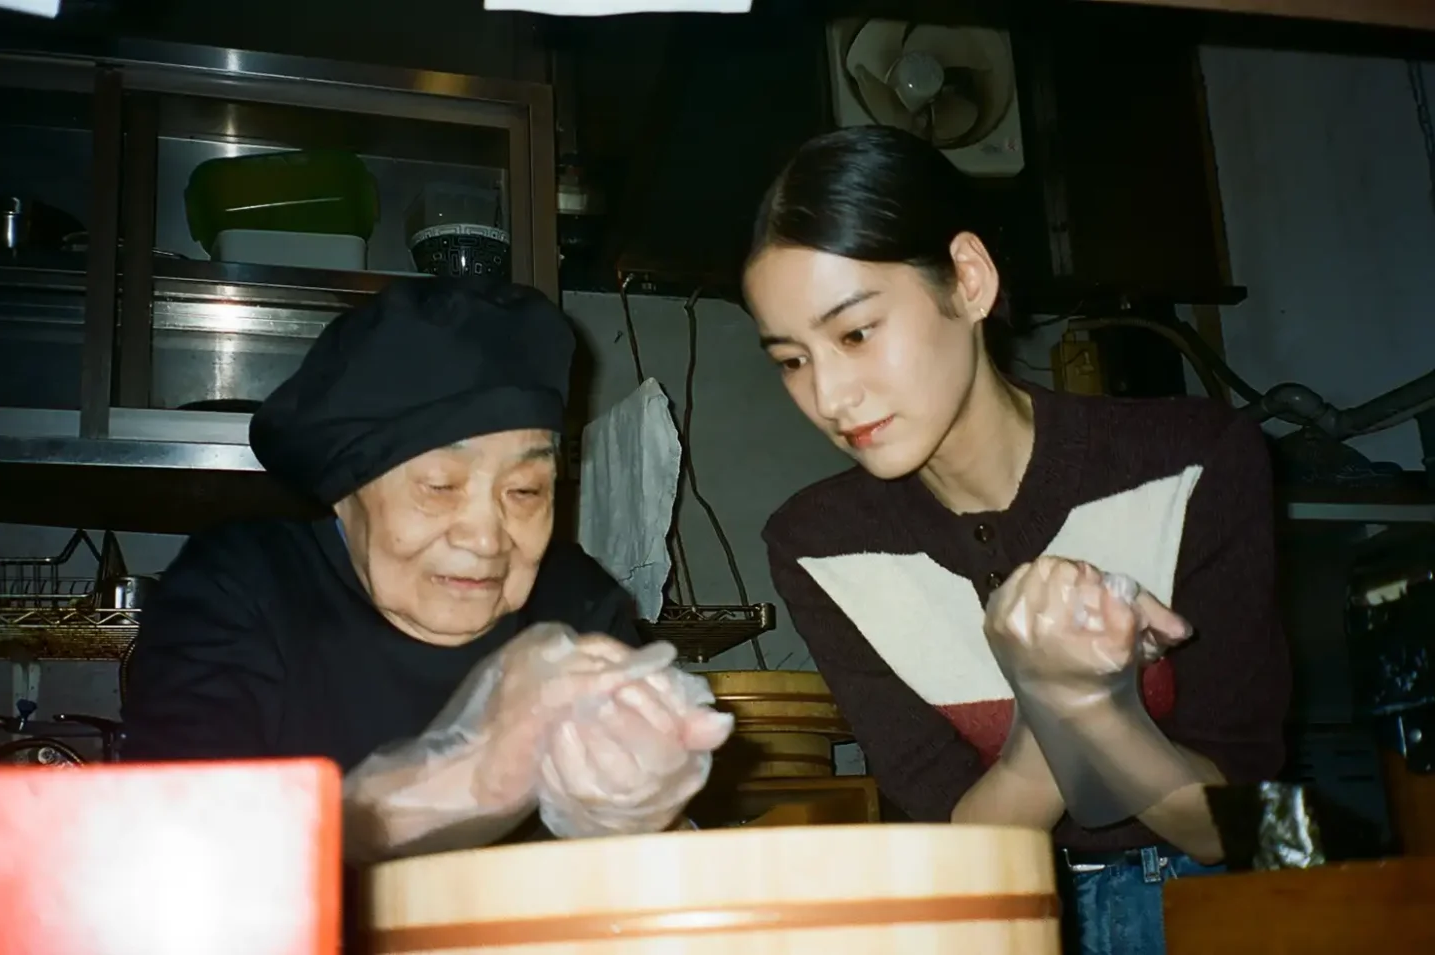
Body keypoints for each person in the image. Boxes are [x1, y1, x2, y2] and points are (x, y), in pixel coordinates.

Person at [743, 126, 1290, 955]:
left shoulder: (1190, 460)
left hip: (1209, 908)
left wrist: (1091, 704)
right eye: (790, 359)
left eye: (855, 332)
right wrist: (1053, 703)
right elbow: (957, 847)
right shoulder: (818, 546)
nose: (829, 395)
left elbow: (1238, 829)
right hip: (999, 919)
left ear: (967, 279)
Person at [120, 278, 718, 885]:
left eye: (526, 491)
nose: (487, 538)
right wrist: (457, 783)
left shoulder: (576, 600)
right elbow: (186, 842)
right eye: (439, 485)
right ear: (345, 491)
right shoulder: (242, 585)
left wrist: (650, 812)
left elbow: (660, 876)